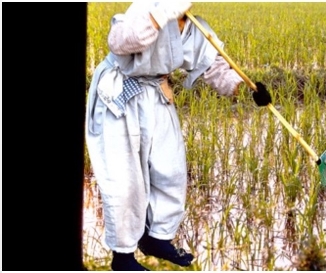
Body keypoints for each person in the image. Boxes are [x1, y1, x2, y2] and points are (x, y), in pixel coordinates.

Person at [85, 1, 272, 271]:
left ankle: (157, 238)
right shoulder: (146, 8)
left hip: (156, 94)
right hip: (119, 97)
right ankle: (122, 256)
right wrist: (164, 13)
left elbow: (213, 67)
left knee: (171, 169)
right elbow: (119, 41)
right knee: (125, 180)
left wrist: (247, 89)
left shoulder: (195, 28)